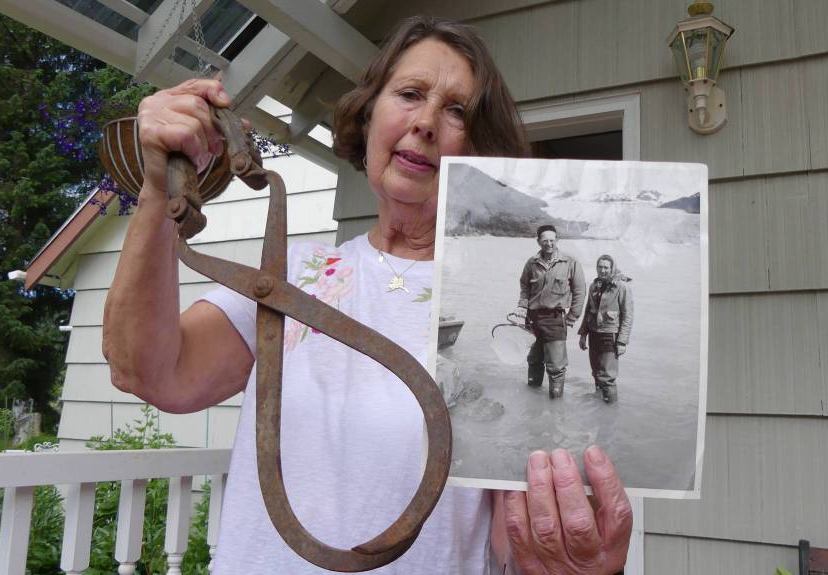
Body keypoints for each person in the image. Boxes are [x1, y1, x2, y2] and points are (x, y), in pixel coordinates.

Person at [102, 16, 631, 574]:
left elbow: (510, 539)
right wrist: (159, 186)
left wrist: (572, 556)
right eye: (409, 94)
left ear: (478, 149)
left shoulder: (486, 300)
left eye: (457, 111)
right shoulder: (293, 274)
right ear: (370, 114)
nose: (425, 122)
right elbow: (149, 371)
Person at [516, 225, 586, 399]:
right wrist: (522, 305)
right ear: (538, 241)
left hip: (555, 320)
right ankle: (532, 405)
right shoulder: (531, 263)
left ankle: (555, 407)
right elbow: (524, 286)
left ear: (557, 240)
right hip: (532, 320)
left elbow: (580, 292)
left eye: (552, 240)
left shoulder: (570, 263)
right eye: (545, 240)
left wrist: (572, 317)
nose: (549, 244)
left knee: (556, 367)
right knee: (534, 361)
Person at [578, 255, 634, 403]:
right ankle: (599, 409)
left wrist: (622, 342)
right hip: (593, 334)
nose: (602, 270)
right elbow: (588, 311)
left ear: (612, 268)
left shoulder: (622, 287)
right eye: (600, 267)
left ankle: (611, 411)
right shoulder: (594, 286)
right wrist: (583, 334)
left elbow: (628, 316)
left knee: (607, 377)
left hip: (610, 336)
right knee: (596, 373)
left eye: (606, 267)